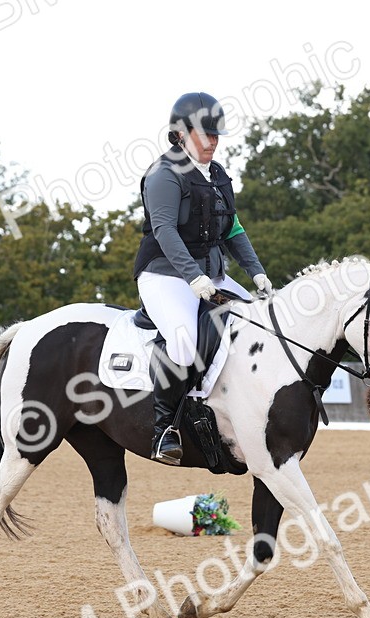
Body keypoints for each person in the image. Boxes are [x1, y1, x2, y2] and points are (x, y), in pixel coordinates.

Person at [134, 91, 274, 465]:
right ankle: (165, 430)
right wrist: (194, 277)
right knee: (183, 340)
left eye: (215, 135)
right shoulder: (164, 174)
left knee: (259, 324)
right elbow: (164, 230)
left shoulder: (217, 175)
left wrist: (256, 271)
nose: (212, 141)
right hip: (165, 275)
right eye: (204, 134)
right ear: (180, 134)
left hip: (211, 275)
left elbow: (233, 229)